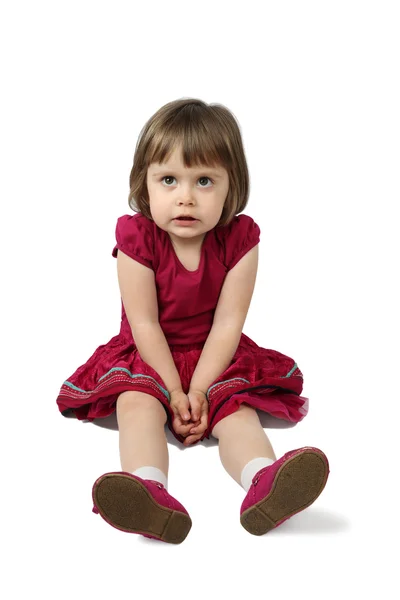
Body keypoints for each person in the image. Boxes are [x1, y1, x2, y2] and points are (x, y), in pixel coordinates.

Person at [56, 97, 330, 544]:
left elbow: (227, 325)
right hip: (150, 352)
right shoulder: (137, 239)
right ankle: (149, 491)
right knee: (137, 406)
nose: (185, 196)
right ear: (145, 186)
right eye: (169, 180)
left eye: (204, 180)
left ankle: (265, 481)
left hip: (214, 353)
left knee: (236, 414)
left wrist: (200, 390)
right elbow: (144, 324)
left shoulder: (239, 240)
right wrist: (172, 389)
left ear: (231, 187)